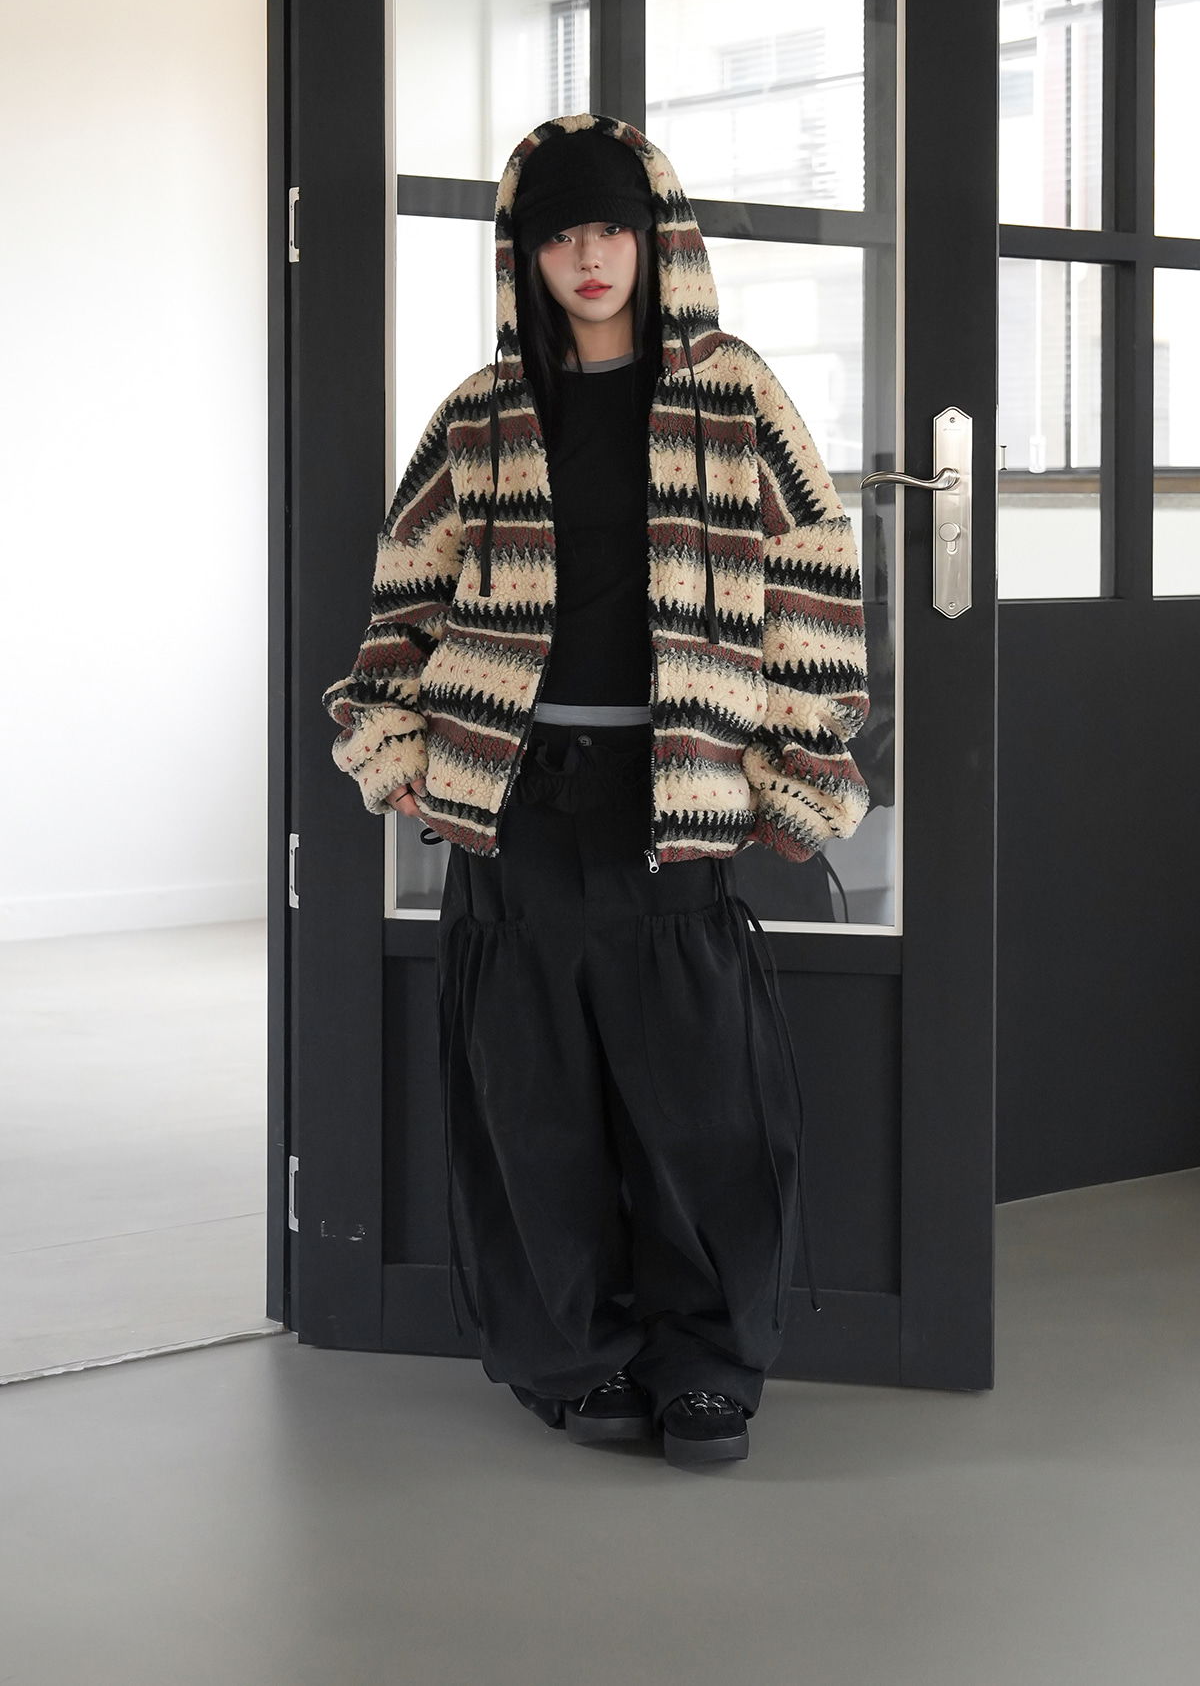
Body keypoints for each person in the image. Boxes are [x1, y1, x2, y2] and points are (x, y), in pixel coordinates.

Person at [324, 107, 873, 1461]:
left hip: (671, 792)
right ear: (524, 253)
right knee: (534, 1101)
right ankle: (574, 1355)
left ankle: (710, 1362)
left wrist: (799, 756)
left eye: (610, 229)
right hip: (518, 799)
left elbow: (814, 570)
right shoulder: (481, 413)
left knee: (704, 1104)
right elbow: (404, 593)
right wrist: (396, 749)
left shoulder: (734, 394)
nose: (587, 256)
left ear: (655, 239)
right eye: (559, 233)